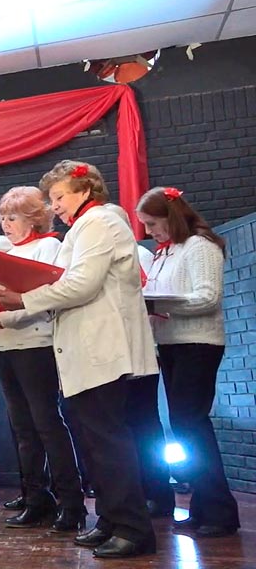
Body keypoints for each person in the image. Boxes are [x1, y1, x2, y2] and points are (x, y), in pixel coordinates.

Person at [0, 160, 157, 559]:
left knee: (109, 442)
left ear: (85, 190)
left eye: (59, 197)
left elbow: (80, 285)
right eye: (51, 199)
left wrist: (21, 299)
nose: (55, 207)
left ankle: (134, 528)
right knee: (94, 443)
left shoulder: (100, 221)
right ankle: (110, 518)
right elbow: (63, 287)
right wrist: (3, 316)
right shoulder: (82, 228)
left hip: (102, 349)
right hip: (84, 352)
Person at [0, 186, 86, 532]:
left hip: (36, 345)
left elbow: (43, 299)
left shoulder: (48, 246)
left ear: (34, 218)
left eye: (13, 217)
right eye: (2, 217)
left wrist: (1, 317)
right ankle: (36, 498)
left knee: (47, 425)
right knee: (22, 428)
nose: (5, 224)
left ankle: (71, 502)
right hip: (2, 345)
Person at [137, 186, 240, 537]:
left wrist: (159, 305)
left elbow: (208, 298)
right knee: (184, 427)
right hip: (172, 344)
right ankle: (203, 509)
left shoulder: (200, 245)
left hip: (198, 343)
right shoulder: (168, 251)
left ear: (172, 216)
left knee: (192, 425)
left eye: (152, 224)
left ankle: (220, 513)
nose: (149, 232)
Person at [104, 204, 175, 517]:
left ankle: (158, 493)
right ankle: (137, 492)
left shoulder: (140, 256)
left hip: (141, 350)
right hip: (113, 354)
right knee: (125, 427)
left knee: (145, 425)